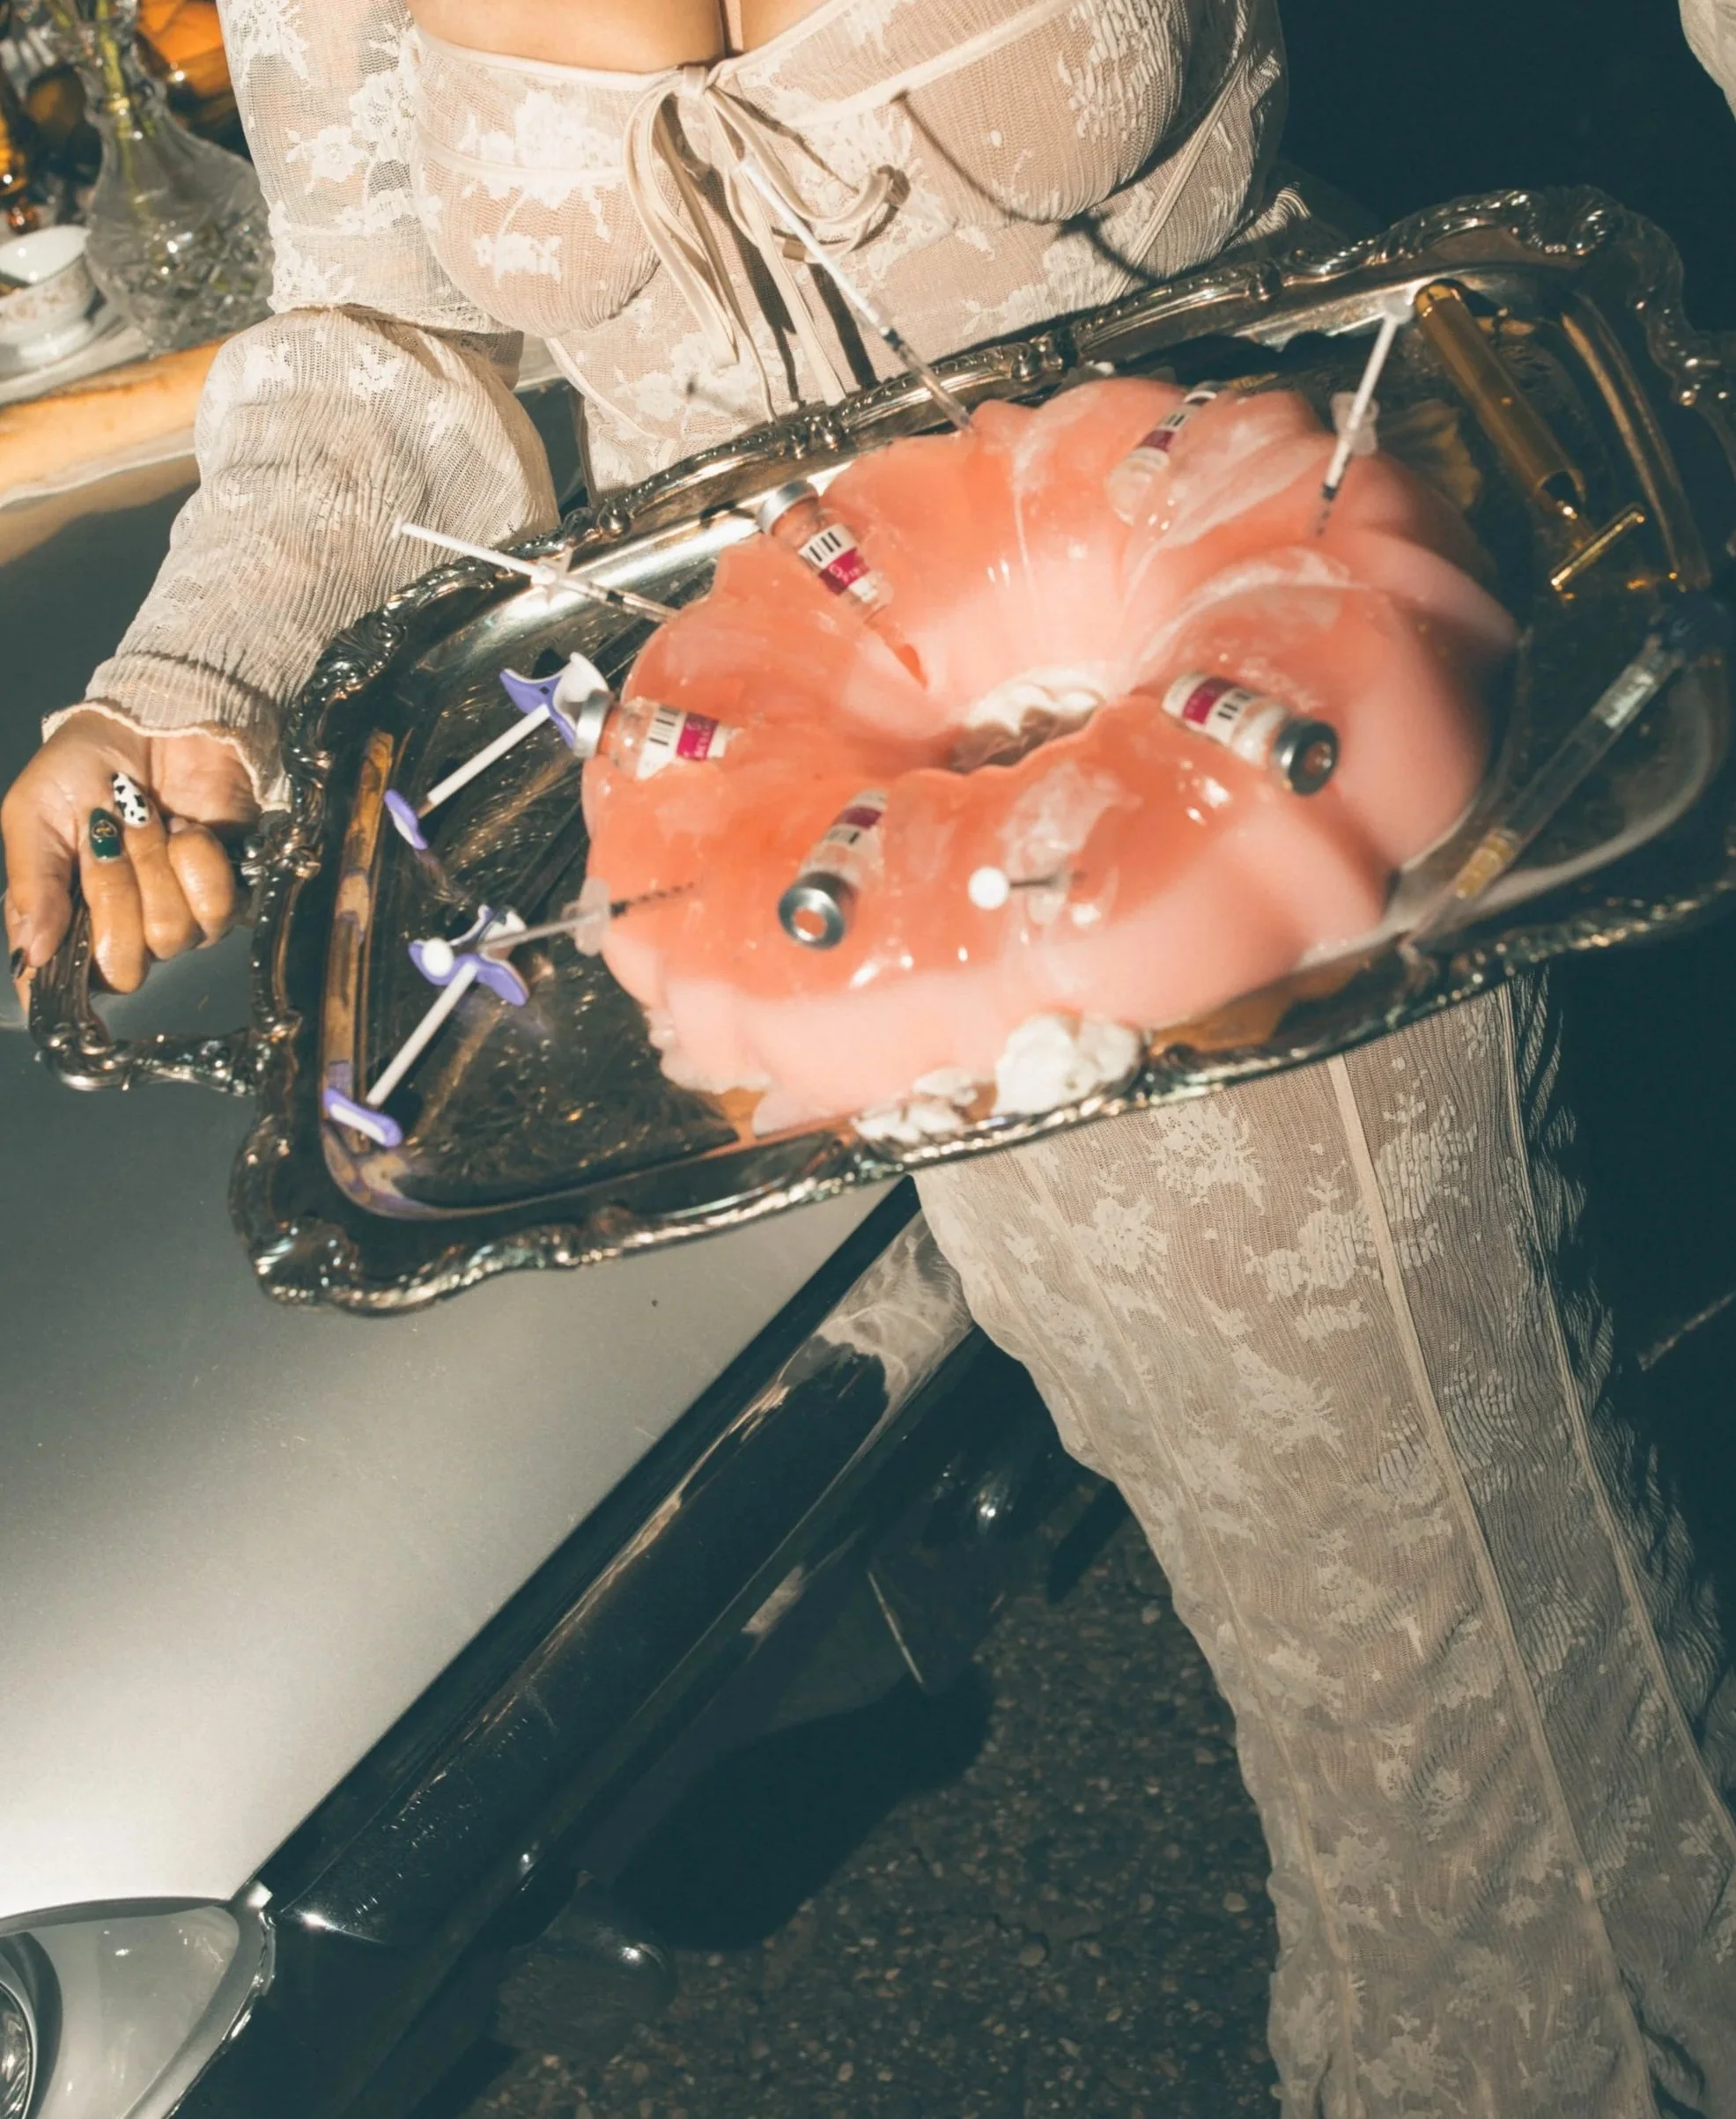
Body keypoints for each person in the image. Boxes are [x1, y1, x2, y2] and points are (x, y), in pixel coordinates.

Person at [4, 2, 1736, 2110]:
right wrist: (191, 675)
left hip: (1276, 788)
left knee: (1456, 1674)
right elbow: (373, 334)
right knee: (1313, 1639)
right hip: (834, 891)